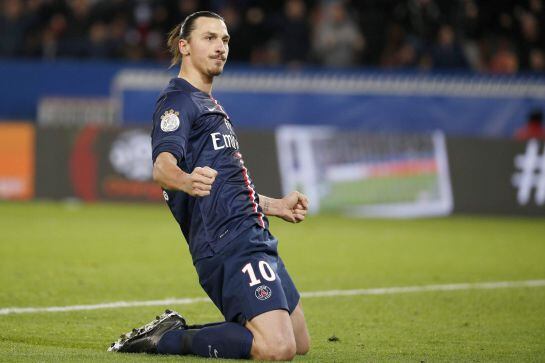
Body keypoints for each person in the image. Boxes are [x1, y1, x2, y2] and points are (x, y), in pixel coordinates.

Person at [108, 11, 311, 361]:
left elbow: (228, 186)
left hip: (253, 233)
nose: (221, 47)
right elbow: (162, 167)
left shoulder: (210, 104)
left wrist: (273, 205)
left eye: (226, 40)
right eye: (210, 38)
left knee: (299, 341)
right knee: (277, 348)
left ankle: (171, 330)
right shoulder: (178, 100)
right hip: (226, 241)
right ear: (184, 46)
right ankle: (165, 341)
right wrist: (186, 180)